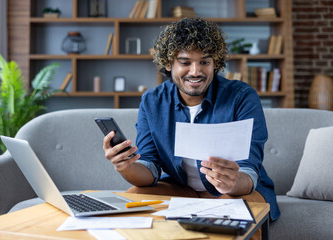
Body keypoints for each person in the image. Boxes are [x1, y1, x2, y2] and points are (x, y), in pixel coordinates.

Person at [103, 17, 280, 224]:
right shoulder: (152, 101)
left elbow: (249, 170)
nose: (195, 72)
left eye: (204, 62)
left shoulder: (241, 97)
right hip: (181, 190)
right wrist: (125, 166)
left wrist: (231, 182)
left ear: (215, 63)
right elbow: (149, 167)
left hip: (236, 192)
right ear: (169, 64)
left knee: (243, 214)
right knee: (133, 196)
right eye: (185, 63)